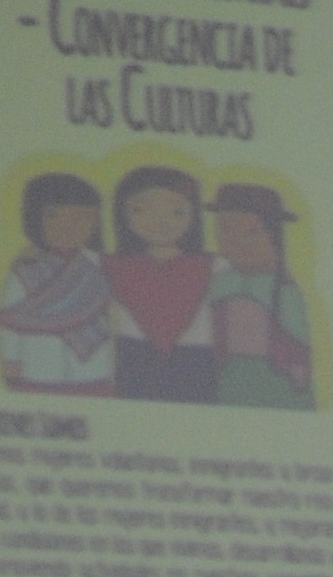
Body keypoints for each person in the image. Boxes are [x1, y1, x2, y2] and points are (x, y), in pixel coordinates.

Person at [0, 171, 117, 393]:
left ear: (96, 223)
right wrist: (10, 361)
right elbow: (10, 320)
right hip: (38, 368)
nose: (67, 226)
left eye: (81, 217)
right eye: (54, 216)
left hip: (94, 370)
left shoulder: (103, 267)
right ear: (35, 219)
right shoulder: (25, 269)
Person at [200, 183, 320, 409]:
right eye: (226, 230)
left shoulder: (285, 289)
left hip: (278, 376)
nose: (236, 241)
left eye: (252, 232)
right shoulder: (219, 282)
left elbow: (299, 340)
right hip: (230, 373)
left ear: (272, 235)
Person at [102, 167, 217, 405]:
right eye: (140, 210)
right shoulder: (112, 266)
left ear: (193, 215)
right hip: (134, 359)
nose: (159, 221)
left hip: (195, 362)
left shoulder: (213, 266)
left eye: (176, 211)